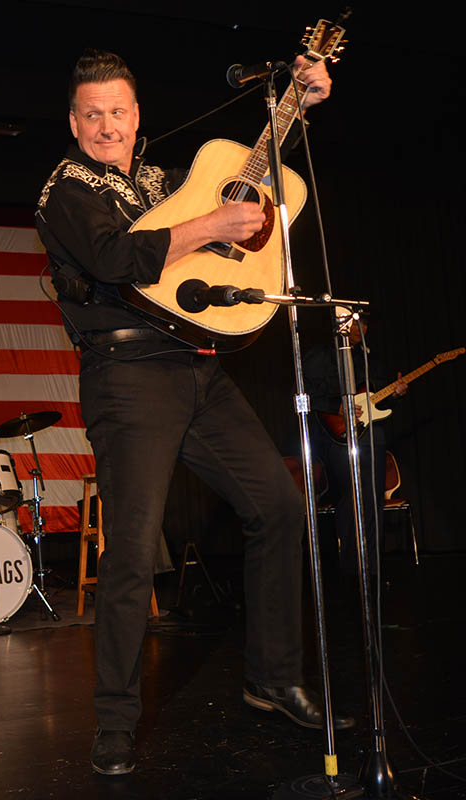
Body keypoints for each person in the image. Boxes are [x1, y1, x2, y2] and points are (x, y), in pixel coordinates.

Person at [35, 50, 351, 776]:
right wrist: (210, 225)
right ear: (75, 123)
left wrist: (298, 107)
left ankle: (272, 677)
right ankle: (114, 720)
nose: (106, 124)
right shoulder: (65, 187)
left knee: (278, 504)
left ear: (136, 116)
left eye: (118, 111)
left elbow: (250, 179)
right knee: (135, 548)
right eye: (92, 114)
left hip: (198, 365)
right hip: (126, 374)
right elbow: (117, 260)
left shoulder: (159, 181)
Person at [302, 311, 408, 574]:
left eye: (365, 323)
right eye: (355, 322)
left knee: (372, 500)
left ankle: (372, 569)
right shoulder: (320, 355)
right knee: (352, 498)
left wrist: (395, 394)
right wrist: (337, 408)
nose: (362, 327)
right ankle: (351, 570)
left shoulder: (370, 358)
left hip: (371, 435)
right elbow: (306, 395)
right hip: (335, 437)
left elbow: (378, 399)